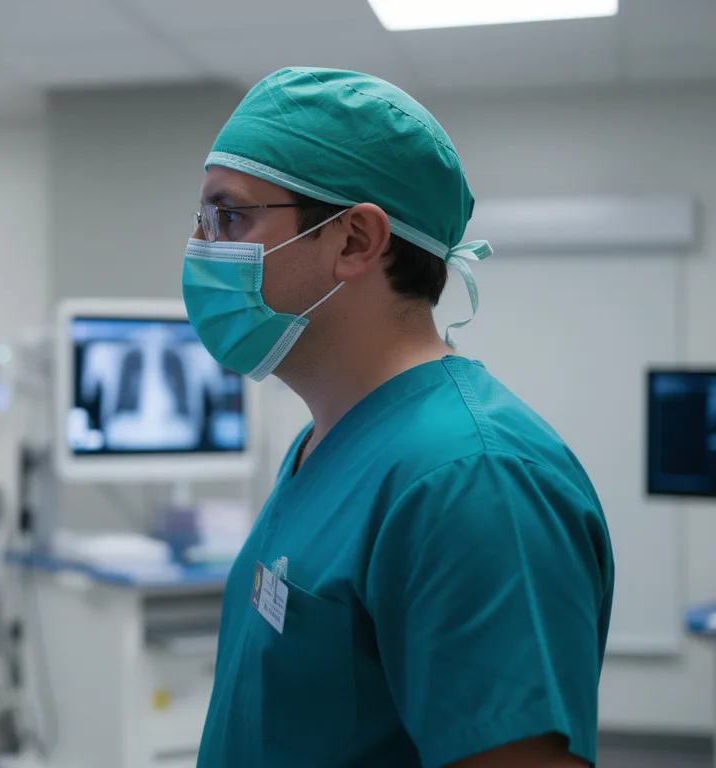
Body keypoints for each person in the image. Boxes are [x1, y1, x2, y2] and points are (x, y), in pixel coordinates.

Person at [183, 68, 614, 768]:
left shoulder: (473, 481)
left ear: (355, 240)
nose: (203, 247)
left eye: (229, 217)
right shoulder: (327, 441)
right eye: (202, 221)